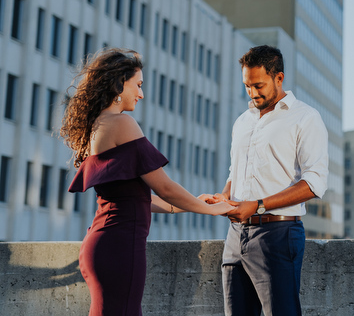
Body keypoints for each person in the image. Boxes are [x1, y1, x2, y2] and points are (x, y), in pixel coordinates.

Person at [60, 48, 235, 316]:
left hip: (103, 242)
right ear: (119, 83)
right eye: (138, 85)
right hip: (120, 246)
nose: (141, 94)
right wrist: (212, 210)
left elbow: (134, 198)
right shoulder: (122, 123)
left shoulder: (100, 124)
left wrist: (186, 205)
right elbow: (163, 186)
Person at [216, 45, 329, 316]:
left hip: (278, 235)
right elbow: (236, 172)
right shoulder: (243, 121)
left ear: (279, 78)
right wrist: (224, 197)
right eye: (247, 86)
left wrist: (257, 205)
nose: (253, 93)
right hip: (235, 237)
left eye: (259, 85)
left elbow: (315, 182)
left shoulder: (305, 118)